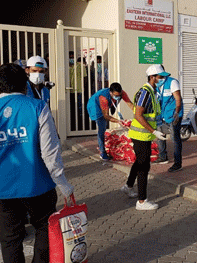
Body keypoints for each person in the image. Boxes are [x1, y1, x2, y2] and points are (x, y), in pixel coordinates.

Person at [0, 63, 74, 263]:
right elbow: (50, 153)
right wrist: (64, 185)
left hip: (4, 189)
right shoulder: (37, 107)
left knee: (9, 238)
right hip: (38, 185)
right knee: (44, 230)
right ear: (25, 85)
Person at [121, 64, 168, 210]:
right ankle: (142, 201)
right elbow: (138, 115)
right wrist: (154, 132)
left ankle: (128, 186)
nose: (162, 79)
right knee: (143, 166)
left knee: (139, 162)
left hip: (144, 135)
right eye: (160, 77)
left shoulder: (152, 91)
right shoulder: (145, 92)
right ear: (152, 77)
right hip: (140, 135)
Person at [86, 82, 134, 161]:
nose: (118, 97)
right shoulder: (103, 97)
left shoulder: (122, 93)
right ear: (110, 92)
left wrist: (138, 114)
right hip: (95, 105)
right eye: (115, 96)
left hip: (107, 104)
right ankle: (102, 152)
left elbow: (130, 104)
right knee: (102, 127)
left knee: (106, 121)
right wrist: (118, 121)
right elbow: (106, 116)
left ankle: (104, 146)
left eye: (119, 95)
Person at [155, 67, 184, 173]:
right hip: (161, 116)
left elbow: (178, 99)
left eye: (159, 76)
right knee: (160, 136)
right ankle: (163, 157)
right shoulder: (156, 85)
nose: (158, 79)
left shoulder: (172, 82)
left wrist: (176, 113)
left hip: (173, 116)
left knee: (175, 139)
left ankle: (178, 164)